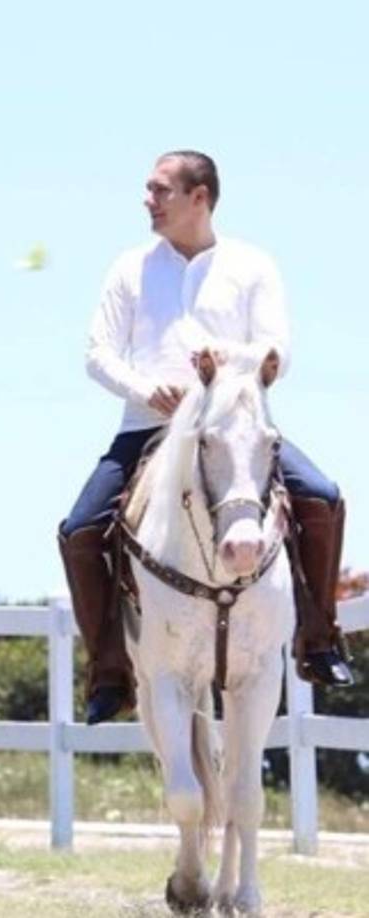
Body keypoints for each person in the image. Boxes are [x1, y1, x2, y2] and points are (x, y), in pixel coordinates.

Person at [58, 150, 352, 726]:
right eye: (149, 190)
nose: (149, 200)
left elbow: (277, 349)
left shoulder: (252, 265)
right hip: (149, 429)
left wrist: (235, 362)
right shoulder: (129, 268)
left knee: (323, 497)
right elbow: (97, 353)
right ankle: (110, 670)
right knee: (80, 530)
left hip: (233, 428)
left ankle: (317, 637)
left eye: (160, 190)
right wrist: (146, 388)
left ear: (200, 197)